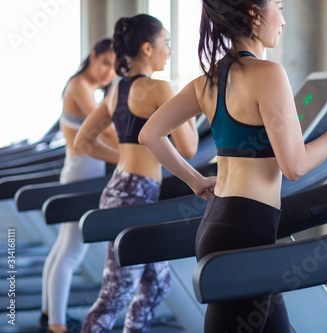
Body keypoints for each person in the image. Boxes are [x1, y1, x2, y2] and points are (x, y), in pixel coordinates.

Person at [139, 0, 327, 332]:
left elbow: (150, 134)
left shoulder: (209, 79)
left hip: (220, 221)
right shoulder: (268, 74)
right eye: (279, 6)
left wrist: (195, 180)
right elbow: (295, 167)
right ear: (253, 13)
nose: (283, 20)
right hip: (245, 230)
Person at [75, 14, 198, 333]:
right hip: (134, 199)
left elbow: (83, 141)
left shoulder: (117, 89)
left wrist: (124, 158)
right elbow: (189, 149)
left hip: (124, 189)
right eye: (166, 43)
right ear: (147, 48)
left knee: (157, 285)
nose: (169, 51)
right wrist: (193, 105)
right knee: (115, 296)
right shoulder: (159, 88)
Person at [40, 37, 117, 333]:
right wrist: (135, 152)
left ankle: (49, 315)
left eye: (113, 67)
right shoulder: (81, 87)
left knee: (63, 249)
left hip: (79, 174)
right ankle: (57, 326)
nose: (107, 72)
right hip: (80, 178)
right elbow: (107, 132)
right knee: (71, 253)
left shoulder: (85, 87)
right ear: (93, 56)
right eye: (105, 63)